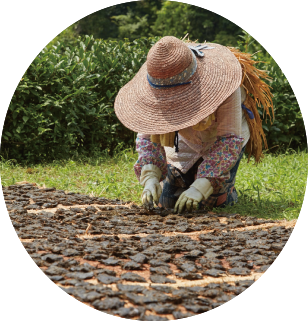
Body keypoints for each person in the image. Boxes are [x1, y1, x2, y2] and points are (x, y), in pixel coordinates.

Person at [114, 36, 274, 214]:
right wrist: (150, 178)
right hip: (182, 141)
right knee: (166, 202)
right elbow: (147, 137)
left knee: (204, 203)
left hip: (219, 141)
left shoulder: (226, 85)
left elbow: (228, 140)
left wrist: (199, 188)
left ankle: (226, 192)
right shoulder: (157, 84)